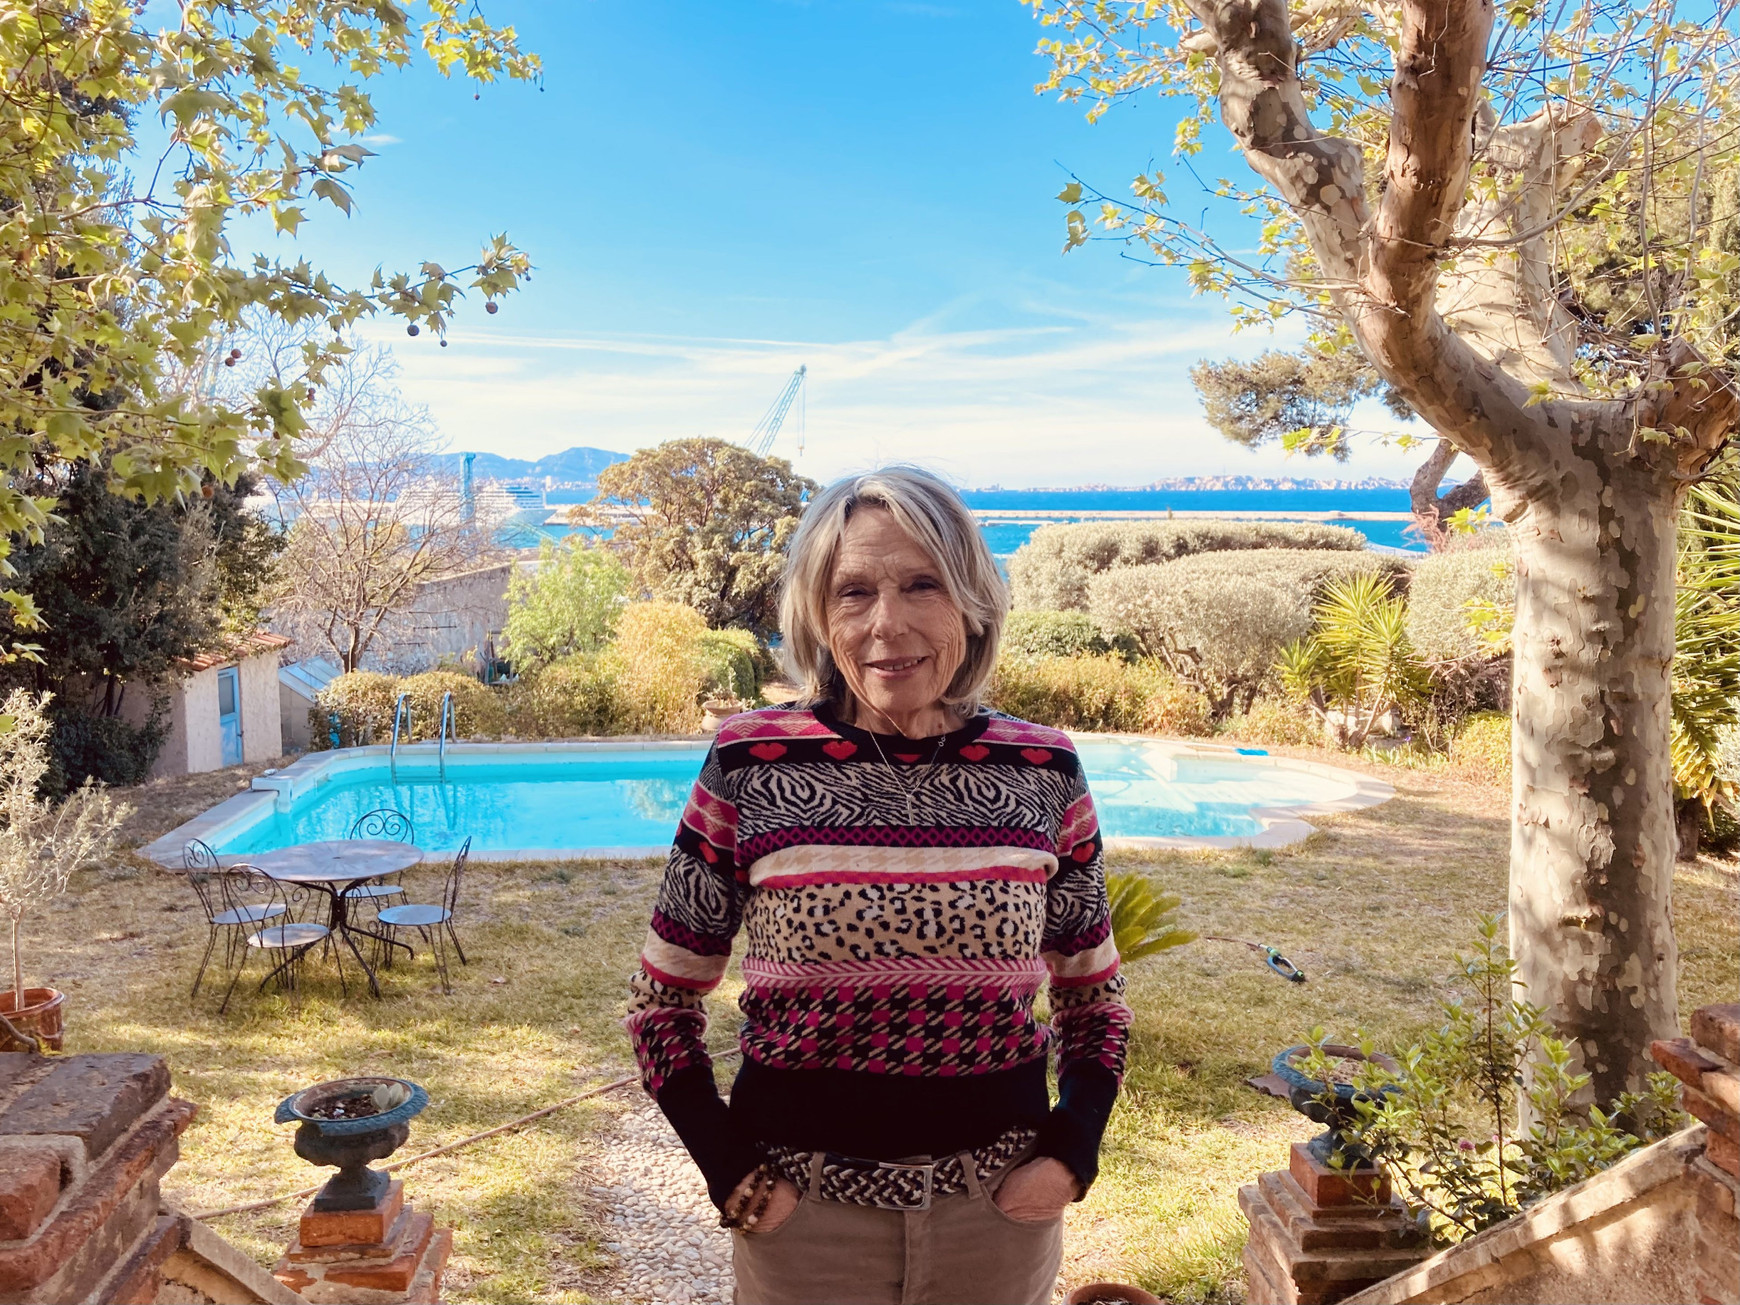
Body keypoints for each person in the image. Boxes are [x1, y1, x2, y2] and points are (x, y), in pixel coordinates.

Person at [625, 467, 1131, 1305]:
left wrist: (1069, 1157)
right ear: (821, 617)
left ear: (970, 599)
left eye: (920, 583)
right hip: (804, 1228)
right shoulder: (753, 762)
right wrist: (732, 1172)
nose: (886, 624)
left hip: (996, 1222)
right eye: (853, 591)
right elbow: (659, 1002)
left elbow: (1096, 1001)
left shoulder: (1042, 768)